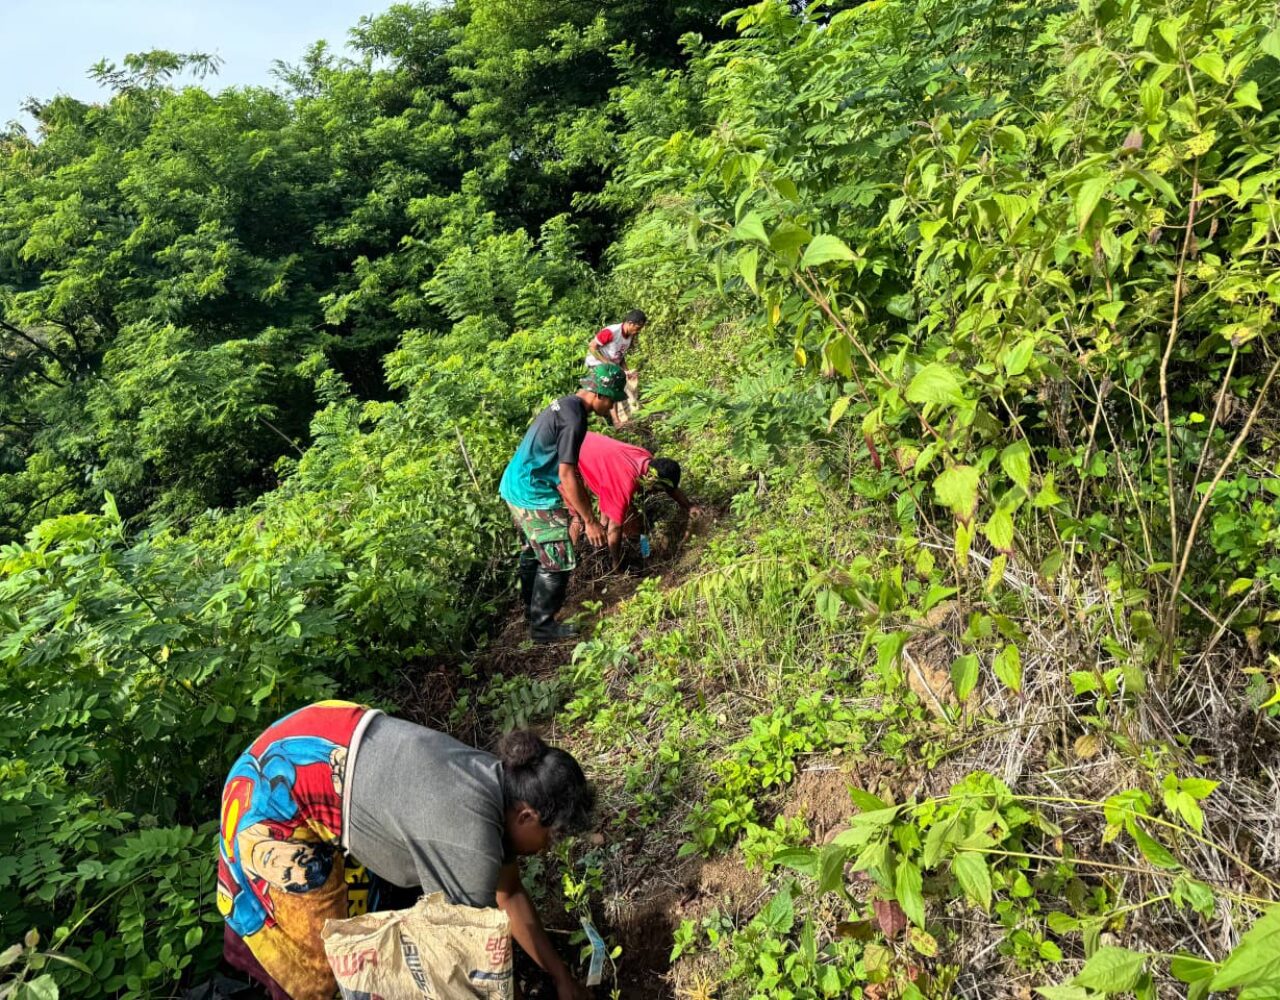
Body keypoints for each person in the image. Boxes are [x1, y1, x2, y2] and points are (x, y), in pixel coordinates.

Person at [217, 700, 596, 1000]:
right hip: (275, 792)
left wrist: (561, 979)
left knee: (376, 910)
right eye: (553, 836)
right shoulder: (469, 838)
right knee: (325, 969)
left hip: (327, 737)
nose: (548, 848)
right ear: (527, 816)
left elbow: (508, 893)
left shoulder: (498, 783)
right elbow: (479, 964)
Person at [498, 364, 628, 642]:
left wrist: (579, 511)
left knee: (534, 551)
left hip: (516, 482)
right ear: (600, 396)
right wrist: (590, 521)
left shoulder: (567, 405)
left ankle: (531, 614)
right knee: (557, 557)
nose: (613, 406)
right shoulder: (575, 419)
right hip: (531, 490)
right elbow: (566, 474)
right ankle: (543, 627)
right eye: (613, 400)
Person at [564, 431, 702, 570]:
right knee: (579, 516)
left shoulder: (647, 460)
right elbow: (615, 527)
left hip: (588, 445)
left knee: (631, 517)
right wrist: (616, 563)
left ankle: (645, 554)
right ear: (651, 479)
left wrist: (689, 506)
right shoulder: (626, 484)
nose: (655, 493)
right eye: (657, 489)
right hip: (565, 456)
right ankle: (573, 564)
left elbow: (669, 487)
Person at [586, 310, 646, 427]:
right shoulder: (611, 332)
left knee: (625, 383)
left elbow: (620, 356)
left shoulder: (629, 336)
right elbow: (592, 347)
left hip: (612, 365)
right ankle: (616, 421)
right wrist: (607, 363)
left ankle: (626, 416)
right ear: (630, 323)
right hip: (596, 362)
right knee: (611, 386)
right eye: (638, 328)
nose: (638, 331)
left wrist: (626, 371)